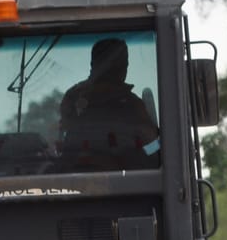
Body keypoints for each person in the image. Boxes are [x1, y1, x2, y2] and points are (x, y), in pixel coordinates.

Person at [56, 38, 161, 171]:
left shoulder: (73, 97)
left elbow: (61, 142)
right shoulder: (133, 105)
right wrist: (159, 143)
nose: (124, 69)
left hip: (86, 180)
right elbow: (152, 148)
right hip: (120, 181)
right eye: (119, 64)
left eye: (124, 64)